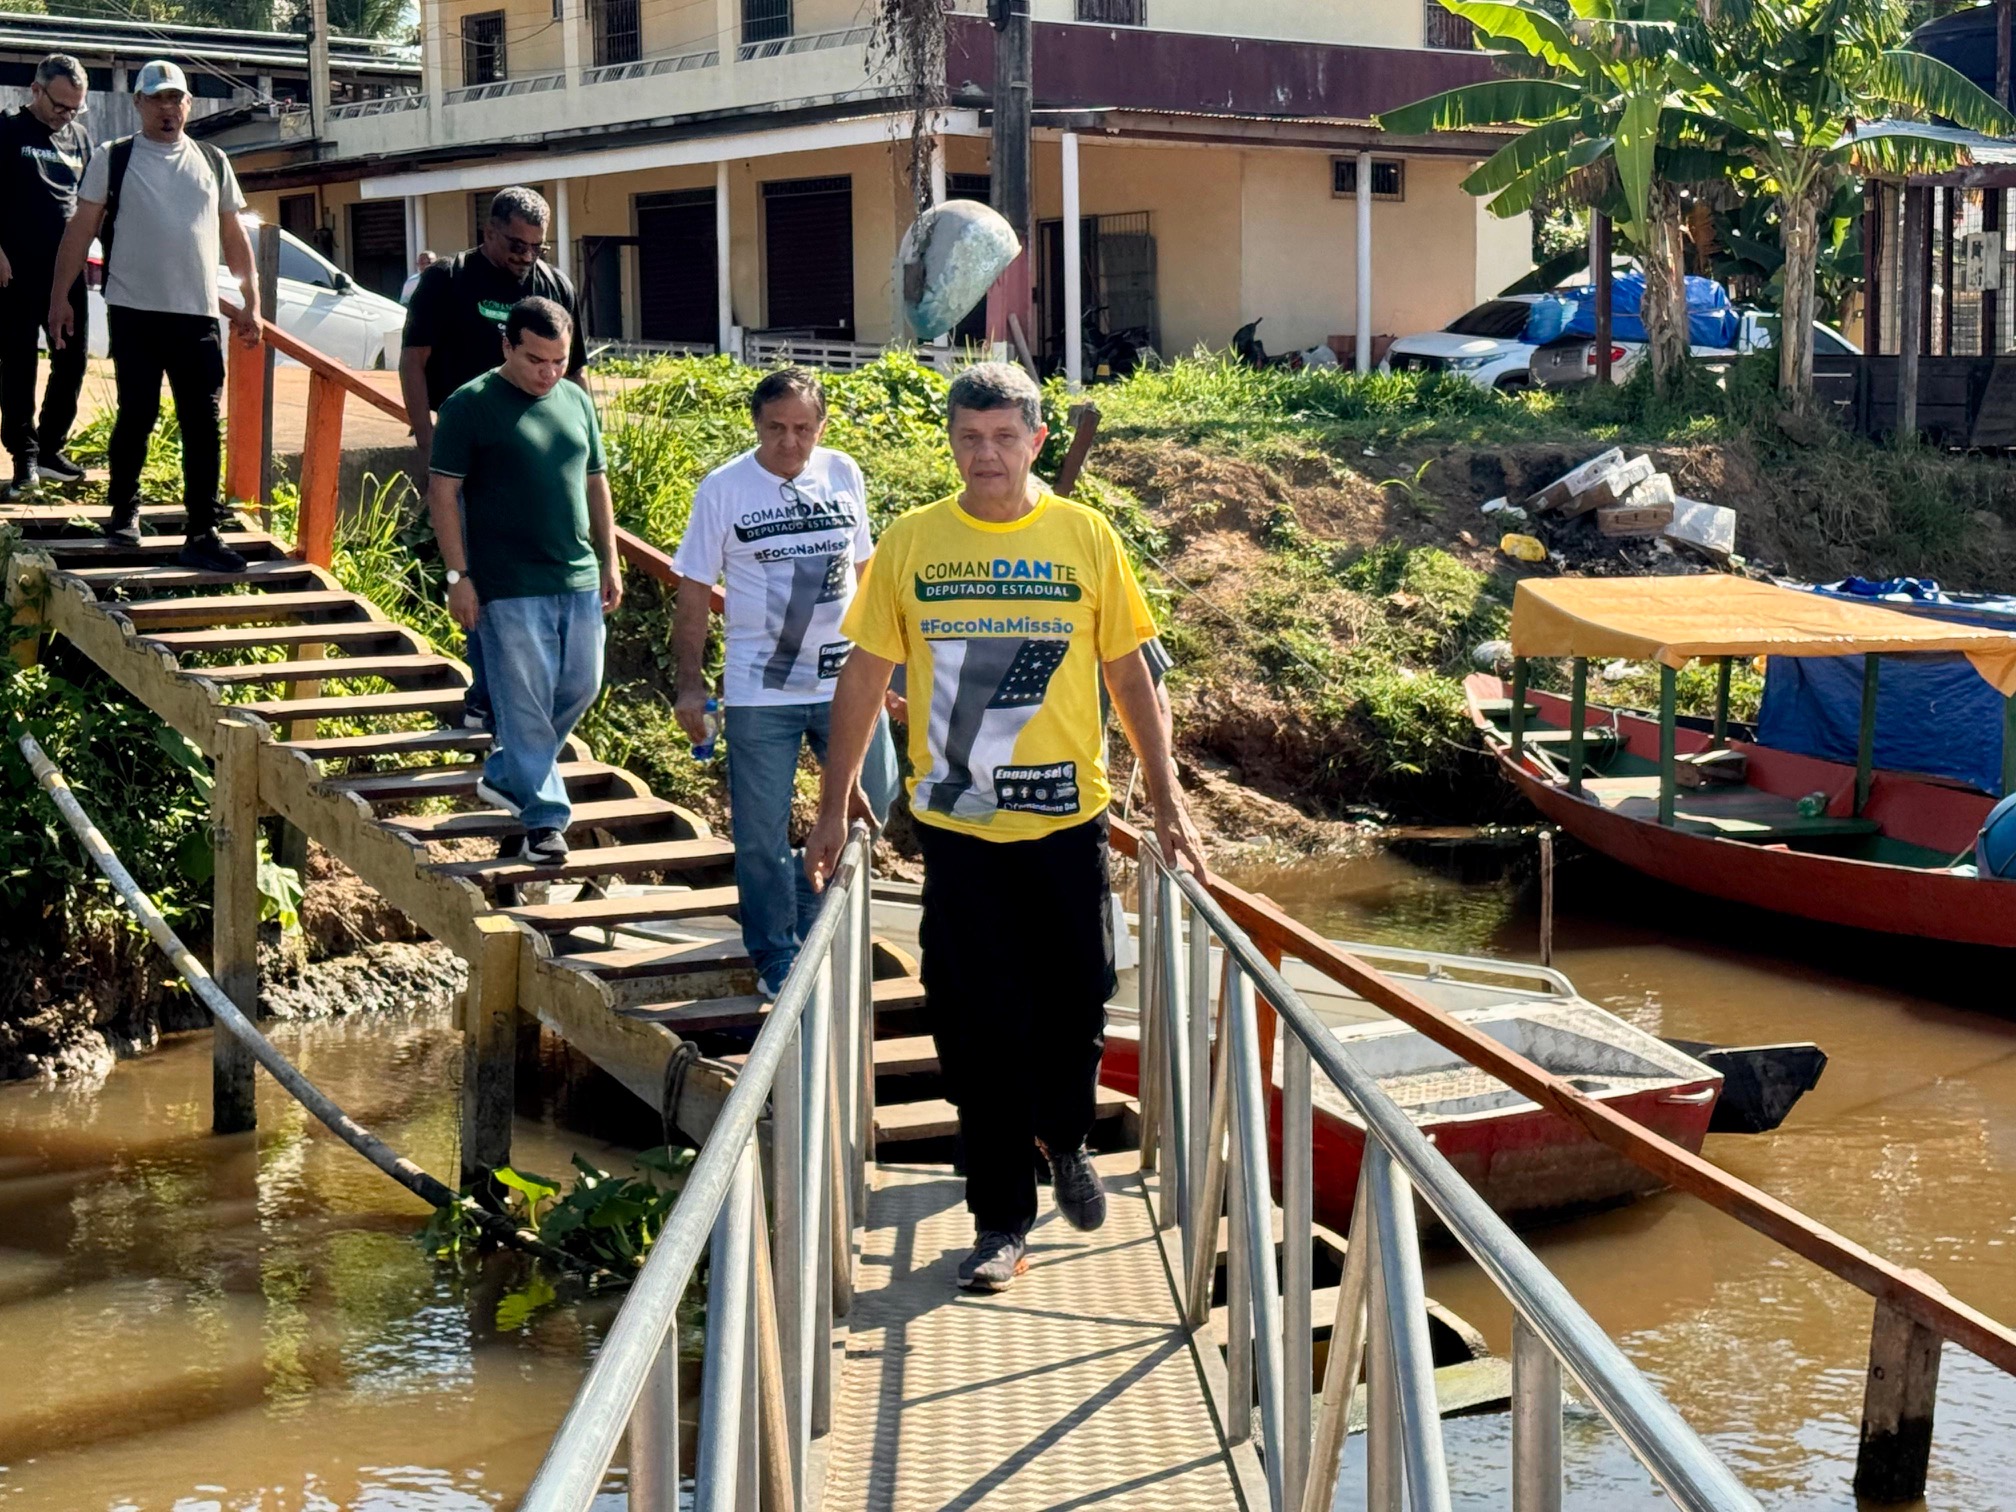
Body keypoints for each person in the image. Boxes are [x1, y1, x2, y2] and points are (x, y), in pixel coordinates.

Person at [804, 363, 1205, 1293]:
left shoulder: (1084, 536)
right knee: (977, 1020)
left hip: (1069, 822)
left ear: (1035, 442)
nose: (985, 454)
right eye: (969, 437)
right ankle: (999, 1221)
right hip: (959, 829)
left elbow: (1130, 674)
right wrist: (832, 804)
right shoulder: (913, 541)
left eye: (1003, 437)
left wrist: (1168, 798)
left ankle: (1064, 1135)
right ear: (952, 442)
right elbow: (864, 675)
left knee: (1079, 998)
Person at [669, 368, 901, 999]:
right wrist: (690, 684)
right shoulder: (724, 489)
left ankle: (806, 912)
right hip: (760, 690)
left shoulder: (843, 471)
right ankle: (775, 953)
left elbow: (867, 575)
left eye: (803, 429)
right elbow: (693, 592)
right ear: (756, 423)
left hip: (846, 682)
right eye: (776, 428)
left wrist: (885, 669)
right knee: (759, 833)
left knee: (873, 800)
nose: (789, 442)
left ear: (822, 426)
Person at [426, 296, 619, 866]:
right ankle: (544, 819)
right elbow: (443, 494)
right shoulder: (469, 405)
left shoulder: (575, 399)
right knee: (525, 702)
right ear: (507, 345)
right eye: (536, 359)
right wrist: (458, 576)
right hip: (506, 582)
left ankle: (508, 772)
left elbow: (596, 482)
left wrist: (610, 559)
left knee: (582, 685)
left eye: (559, 361)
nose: (548, 373)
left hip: (577, 573)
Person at [49, 59, 258, 574]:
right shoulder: (114, 157)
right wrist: (59, 298)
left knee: (202, 425)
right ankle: (124, 512)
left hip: (197, 315)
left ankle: (203, 533)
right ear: (139, 103)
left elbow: (233, 234)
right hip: (135, 311)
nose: (168, 108)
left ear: (188, 104)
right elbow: (80, 231)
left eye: (176, 98)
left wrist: (250, 302)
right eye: (157, 98)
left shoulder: (212, 160)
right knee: (136, 415)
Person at [402, 186, 587, 732]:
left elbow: (575, 373)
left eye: (537, 247)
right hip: (468, 456)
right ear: (488, 231)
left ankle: (515, 701)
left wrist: (585, 446)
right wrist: (426, 441)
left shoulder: (555, 287)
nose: (526, 256)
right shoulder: (449, 280)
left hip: (538, 459)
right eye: (515, 244)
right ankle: (487, 699)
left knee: (531, 579)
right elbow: (413, 361)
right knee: (478, 578)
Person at [0, 54, 92, 501]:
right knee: (19, 362)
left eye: (75, 108)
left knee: (71, 359)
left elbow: (91, 202)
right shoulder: (7, 130)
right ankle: (25, 458)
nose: (66, 115)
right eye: (59, 106)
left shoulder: (80, 139)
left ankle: (51, 447)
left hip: (67, 271)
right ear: (35, 90)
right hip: (16, 270)